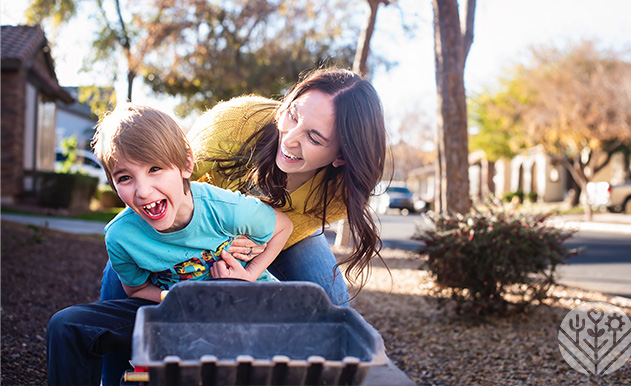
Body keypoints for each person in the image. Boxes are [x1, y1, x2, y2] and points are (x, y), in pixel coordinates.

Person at [98, 67, 388, 384]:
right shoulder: (234, 124)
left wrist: (249, 273)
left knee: (329, 296)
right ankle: (112, 377)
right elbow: (173, 188)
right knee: (124, 264)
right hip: (200, 225)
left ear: (341, 157)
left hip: (275, 233)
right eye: (292, 115)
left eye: (314, 137)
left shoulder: (338, 192)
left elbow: (289, 229)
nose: (289, 139)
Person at [47, 104, 292, 386]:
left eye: (155, 168)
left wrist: (249, 275)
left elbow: (283, 226)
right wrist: (178, 298)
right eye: (125, 177)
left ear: (186, 164)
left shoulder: (226, 209)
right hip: (177, 310)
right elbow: (137, 290)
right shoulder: (120, 236)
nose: (143, 191)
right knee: (66, 326)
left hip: (242, 308)